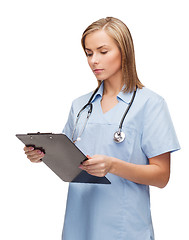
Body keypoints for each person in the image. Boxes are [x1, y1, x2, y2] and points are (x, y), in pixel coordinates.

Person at [24, 17, 180, 240]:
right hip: (79, 223)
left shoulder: (150, 104)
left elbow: (161, 176)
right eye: (89, 53)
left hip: (124, 227)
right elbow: (67, 158)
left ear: (124, 52)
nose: (94, 61)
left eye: (103, 51)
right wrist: (41, 155)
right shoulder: (80, 106)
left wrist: (113, 165)